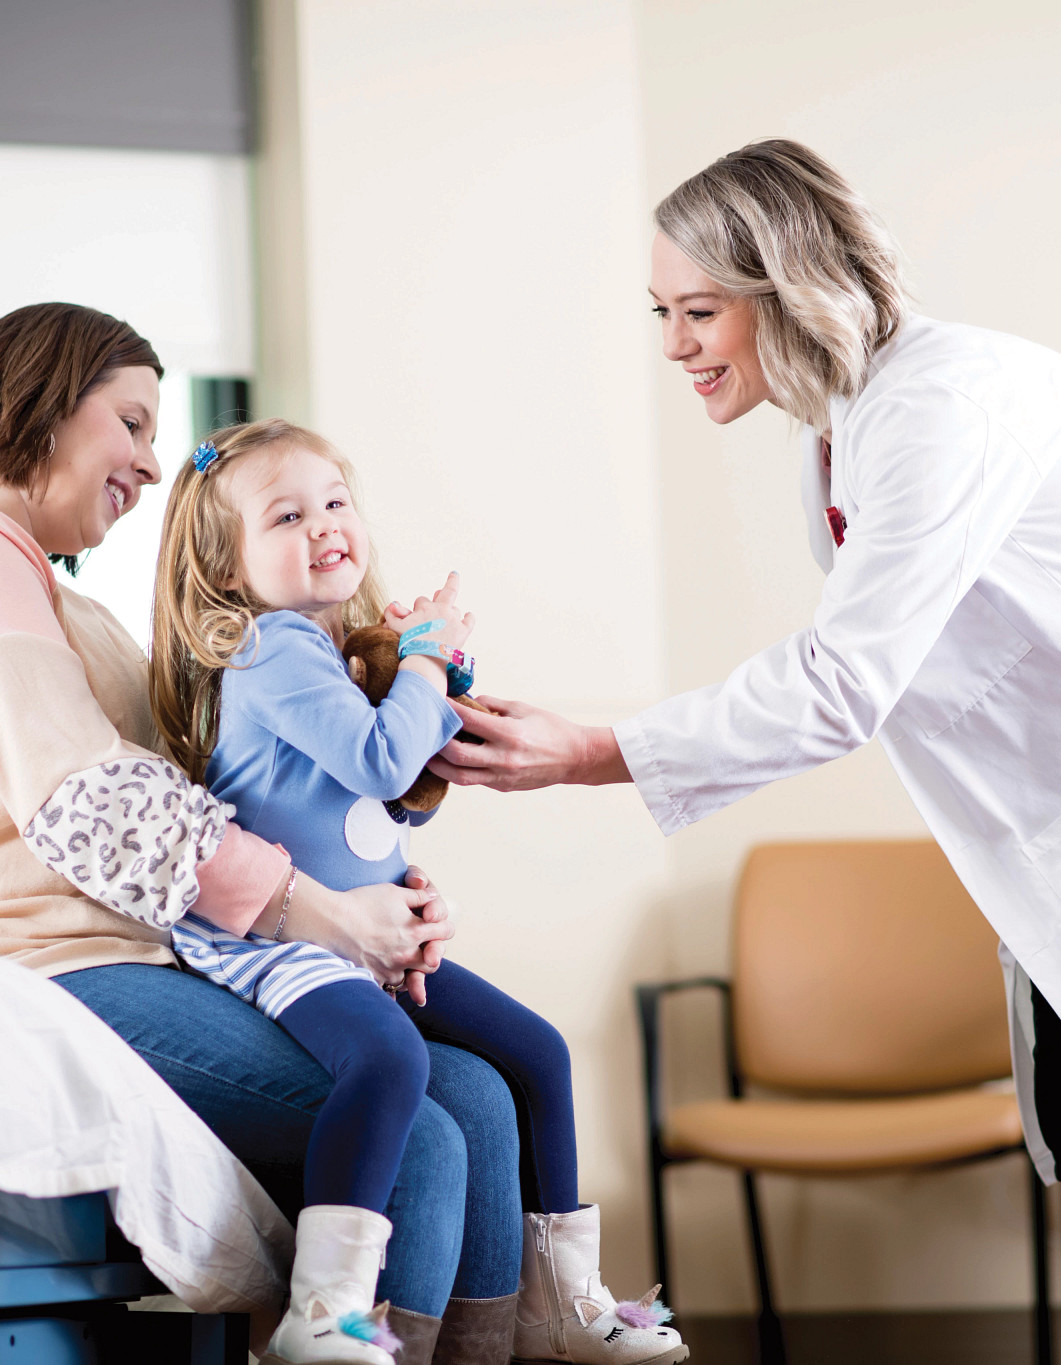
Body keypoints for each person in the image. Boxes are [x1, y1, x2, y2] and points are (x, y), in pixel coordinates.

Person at [431, 141, 1061, 1362]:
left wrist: (591, 751)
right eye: (661, 315)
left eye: (698, 311)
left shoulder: (940, 404)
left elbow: (841, 680)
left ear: (783, 286)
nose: (674, 345)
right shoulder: (844, 429)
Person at [0, 302, 517, 1365]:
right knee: (414, 1129)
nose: (145, 462)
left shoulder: (59, 600)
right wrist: (314, 913)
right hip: (0, 968)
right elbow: (91, 802)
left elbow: (223, 804)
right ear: (43, 399)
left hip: (122, 958)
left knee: (473, 1092)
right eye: (130, 423)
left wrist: (384, 893)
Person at [146, 418, 686, 1365]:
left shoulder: (326, 653)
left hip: (366, 940)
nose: (323, 525)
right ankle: (327, 1313)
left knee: (537, 1051)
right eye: (285, 515)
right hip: (282, 945)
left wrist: (426, 682)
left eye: (334, 501)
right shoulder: (269, 650)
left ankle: (562, 1295)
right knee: (389, 1063)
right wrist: (427, 663)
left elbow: (391, 797)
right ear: (227, 566)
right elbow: (377, 754)